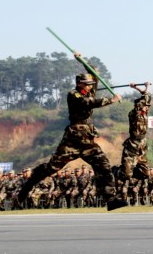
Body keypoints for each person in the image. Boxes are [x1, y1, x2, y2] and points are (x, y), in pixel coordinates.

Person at [17, 53, 128, 211]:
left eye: (90, 84)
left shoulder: (89, 90)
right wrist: (111, 100)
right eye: (87, 84)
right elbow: (88, 103)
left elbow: (93, 72)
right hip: (73, 140)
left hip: (88, 141)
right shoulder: (74, 95)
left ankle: (110, 199)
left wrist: (81, 60)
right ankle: (27, 186)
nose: (90, 86)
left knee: (103, 165)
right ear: (80, 84)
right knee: (52, 167)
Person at [118, 82, 151, 183]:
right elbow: (144, 99)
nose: (147, 107)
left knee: (145, 174)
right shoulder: (133, 113)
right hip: (132, 145)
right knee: (126, 176)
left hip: (142, 145)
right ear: (139, 106)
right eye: (145, 106)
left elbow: (146, 96)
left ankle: (131, 169)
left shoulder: (144, 112)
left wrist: (139, 87)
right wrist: (144, 87)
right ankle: (117, 171)